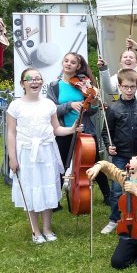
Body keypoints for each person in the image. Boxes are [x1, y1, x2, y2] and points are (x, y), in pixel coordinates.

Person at [7, 68, 80, 243]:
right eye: (29, 79)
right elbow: (11, 133)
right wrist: (12, 158)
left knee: (48, 187)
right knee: (30, 188)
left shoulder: (48, 104)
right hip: (26, 153)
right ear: (22, 83)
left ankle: (47, 228)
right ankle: (35, 230)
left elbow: (56, 129)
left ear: (42, 82)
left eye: (38, 78)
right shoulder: (15, 106)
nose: (34, 82)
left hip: (47, 151)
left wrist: (71, 129)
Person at [47, 52, 110, 207]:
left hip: (85, 130)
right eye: (66, 61)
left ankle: (108, 195)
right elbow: (50, 109)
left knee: (94, 162)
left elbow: (93, 111)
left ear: (78, 66)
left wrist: (94, 100)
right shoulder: (54, 86)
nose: (68, 64)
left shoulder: (85, 85)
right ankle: (55, 200)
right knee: (61, 164)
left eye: (73, 62)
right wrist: (70, 105)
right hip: (64, 130)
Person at [86, 150, 137, 271]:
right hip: (131, 230)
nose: (132, 157)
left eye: (136, 158)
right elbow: (110, 167)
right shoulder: (127, 177)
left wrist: (136, 191)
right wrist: (98, 167)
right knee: (117, 263)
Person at [100, 68, 137, 234]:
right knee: (117, 190)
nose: (129, 90)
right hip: (120, 156)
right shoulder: (113, 109)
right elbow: (105, 132)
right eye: (126, 87)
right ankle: (114, 219)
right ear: (120, 86)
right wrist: (109, 145)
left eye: (132, 87)